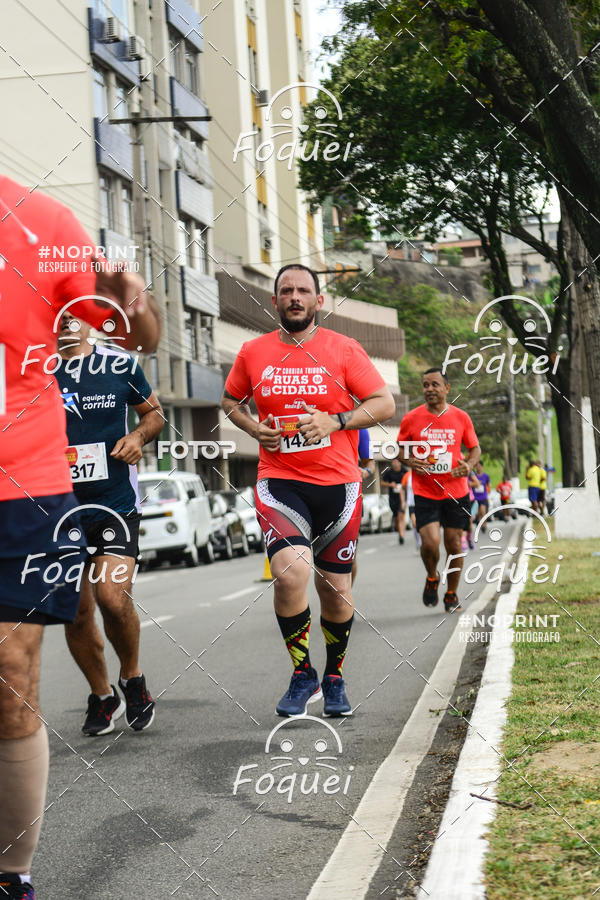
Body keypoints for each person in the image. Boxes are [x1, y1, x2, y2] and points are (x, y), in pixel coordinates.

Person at [0, 175, 160, 899]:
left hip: (46, 490)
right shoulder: (58, 366)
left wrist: (133, 294)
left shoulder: (46, 221)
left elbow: (144, 339)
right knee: (83, 613)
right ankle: (105, 688)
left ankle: (11, 874)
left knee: (90, 609)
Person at [222, 263, 395, 717]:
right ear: (275, 301)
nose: (295, 297)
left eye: (303, 291)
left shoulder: (343, 349)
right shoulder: (252, 352)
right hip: (280, 480)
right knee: (290, 572)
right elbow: (230, 402)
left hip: (339, 485)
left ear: (318, 301)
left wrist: (336, 421)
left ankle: (334, 676)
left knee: (335, 590)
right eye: (286, 291)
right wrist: (253, 427)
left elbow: (384, 402)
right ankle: (303, 674)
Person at [56, 313, 164, 736]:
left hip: (113, 504)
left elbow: (153, 414)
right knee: (74, 610)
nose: (66, 320)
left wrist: (137, 438)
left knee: (112, 598)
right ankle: (102, 696)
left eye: (74, 313)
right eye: (56, 313)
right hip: (54, 509)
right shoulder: (31, 374)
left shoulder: (118, 365)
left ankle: (133, 679)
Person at [397, 368, 480, 612]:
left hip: (456, 491)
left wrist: (469, 465)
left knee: (454, 544)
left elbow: (475, 449)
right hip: (425, 491)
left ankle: (452, 594)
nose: (429, 389)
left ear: (447, 388)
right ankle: (432, 576)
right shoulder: (411, 418)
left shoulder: (461, 417)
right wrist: (410, 461)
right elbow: (400, 449)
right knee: (431, 544)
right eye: (425, 385)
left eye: (435, 384)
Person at [352, 429, 375, 585]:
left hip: (347, 497)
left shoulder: (358, 426)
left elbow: (370, 463)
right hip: (300, 496)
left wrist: (366, 471)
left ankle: (341, 600)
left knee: (347, 558)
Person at [380, 457, 406, 544]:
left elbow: (409, 480)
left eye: (397, 461)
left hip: (402, 497)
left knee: (400, 515)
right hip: (392, 497)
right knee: (396, 517)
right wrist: (390, 484)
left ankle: (402, 535)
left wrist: (403, 486)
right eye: (394, 461)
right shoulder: (389, 472)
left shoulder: (404, 471)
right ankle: (399, 533)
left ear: (400, 463)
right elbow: (382, 483)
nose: (395, 463)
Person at [402, 468, 420, 550]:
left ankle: (422, 540)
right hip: (411, 503)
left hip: (422, 502)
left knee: (422, 523)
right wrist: (403, 501)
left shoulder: (422, 474)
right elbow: (402, 488)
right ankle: (418, 542)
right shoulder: (407, 475)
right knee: (414, 523)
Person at [472, 461, 491, 530]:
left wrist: (488, 492)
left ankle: (484, 525)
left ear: (482, 467)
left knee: (483, 511)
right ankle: (477, 520)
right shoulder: (473, 475)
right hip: (475, 497)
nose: (478, 467)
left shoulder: (486, 476)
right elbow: (469, 484)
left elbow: (489, 485)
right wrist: (476, 483)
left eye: (479, 466)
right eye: (477, 466)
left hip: (483, 497)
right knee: (477, 513)